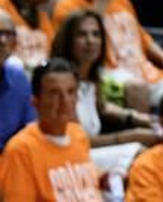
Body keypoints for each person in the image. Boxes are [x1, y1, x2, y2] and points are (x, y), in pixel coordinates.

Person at [51, 9, 157, 177]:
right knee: (140, 153)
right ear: (68, 41)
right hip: (69, 158)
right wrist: (131, 136)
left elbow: (101, 107)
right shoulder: (60, 81)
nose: (90, 41)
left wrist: (136, 118)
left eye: (96, 34)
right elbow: (76, 141)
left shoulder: (92, 78)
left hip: (91, 153)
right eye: (82, 35)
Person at [0, 59, 99, 202]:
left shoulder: (79, 135)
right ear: (35, 101)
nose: (65, 101)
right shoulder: (21, 150)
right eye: (54, 93)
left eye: (71, 91)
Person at [0, 8, 36, 147]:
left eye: (8, 34)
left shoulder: (19, 79)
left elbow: (30, 132)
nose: (2, 40)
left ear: (15, 43)